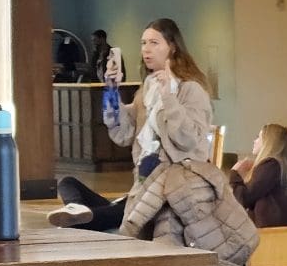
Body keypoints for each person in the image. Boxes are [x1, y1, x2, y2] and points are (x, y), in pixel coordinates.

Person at [50, 18, 213, 231]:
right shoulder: (148, 88)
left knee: (114, 214)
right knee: (67, 183)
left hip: (172, 189)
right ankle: (79, 211)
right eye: (143, 43)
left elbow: (188, 139)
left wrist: (169, 97)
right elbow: (124, 133)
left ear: (172, 47)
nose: (146, 49)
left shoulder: (190, 89)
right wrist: (111, 89)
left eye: (154, 43)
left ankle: (82, 218)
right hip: (142, 185)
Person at [228, 123, 287, 228]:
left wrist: (235, 173)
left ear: (268, 142)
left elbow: (244, 198)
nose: (254, 141)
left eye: (258, 137)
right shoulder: (276, 164)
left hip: (272, 231)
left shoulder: (272, 164)